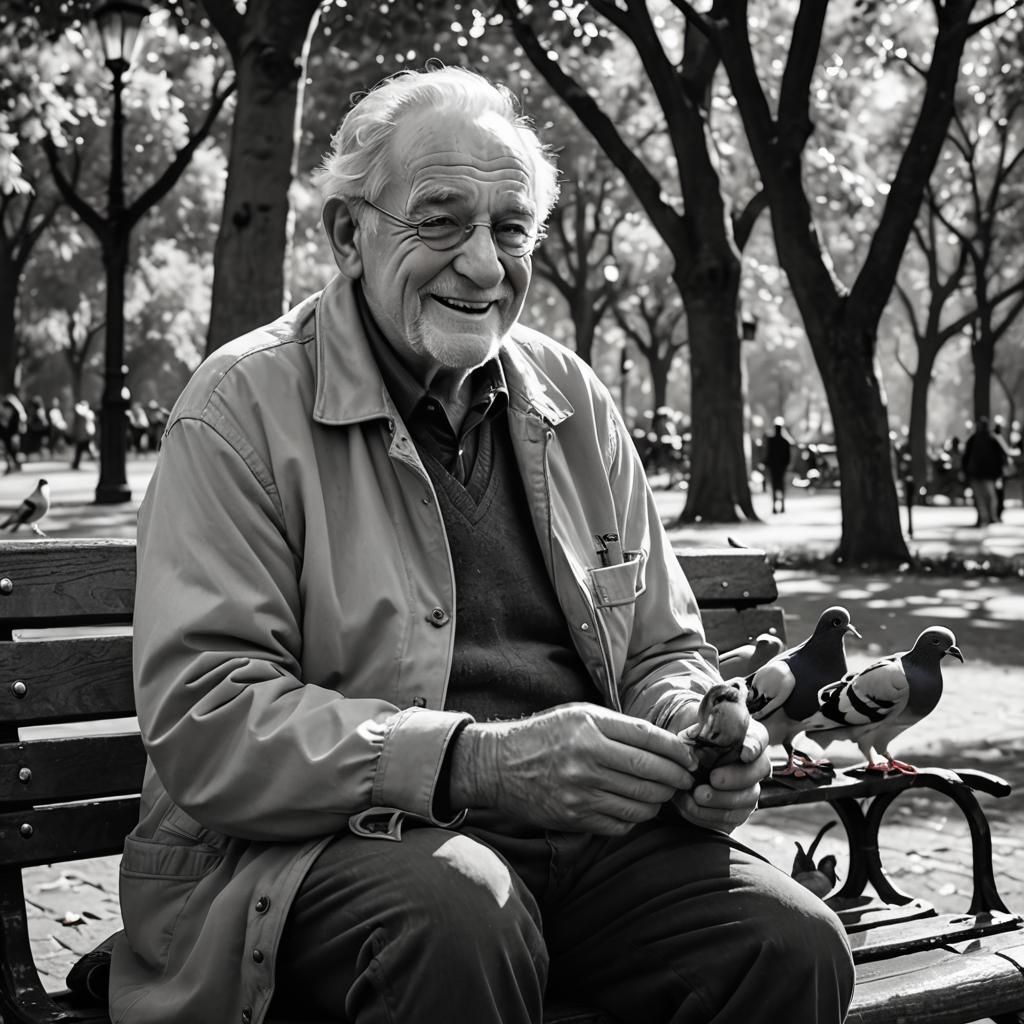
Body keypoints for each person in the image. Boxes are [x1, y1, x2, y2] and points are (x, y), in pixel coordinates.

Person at [110, 66, 854, 1024]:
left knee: (790, 944)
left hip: (580, 849)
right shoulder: (237, 408)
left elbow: (660, 650)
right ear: (348, 235)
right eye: (441, 221)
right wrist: (473, 762)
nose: (483, 265)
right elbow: (210, 717)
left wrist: (698, 734)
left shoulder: (573, 397)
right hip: (315, 856)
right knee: (460, 912)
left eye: (511, 229)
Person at [962, 416, 1008, 527]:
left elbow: (965, 457)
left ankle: (985, 518)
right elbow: (1002, 456)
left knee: (982, 498)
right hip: (986, 474)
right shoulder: (992, 438)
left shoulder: (974, 439)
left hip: (978, 473)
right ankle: (990, 517)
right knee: (989, 496)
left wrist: (965, 472)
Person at [763, 416, 793, 513]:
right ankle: (779, 506)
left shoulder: (773, 441)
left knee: (776, 486)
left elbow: (768, 454)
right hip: (779, 467)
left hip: (776, 467)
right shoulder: (784, 441)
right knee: (779, 486)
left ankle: (778, 506)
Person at [68, 399, 96, 470]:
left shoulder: (85, 413)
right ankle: (75, 464)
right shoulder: (87, 413)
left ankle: (76, 464)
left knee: (82, 450)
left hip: (85, 435)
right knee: (81, 450)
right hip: (85, 435)